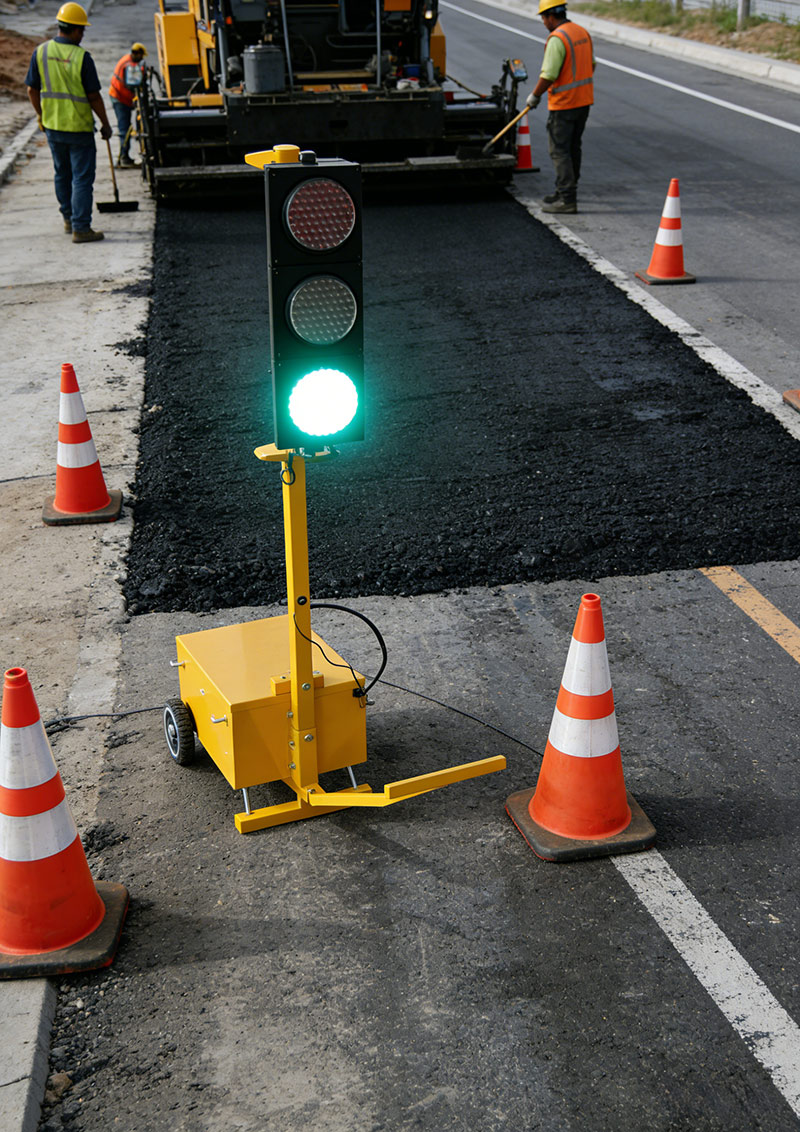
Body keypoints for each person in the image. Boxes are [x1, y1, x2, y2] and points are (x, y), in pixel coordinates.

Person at [25, 2, 113, 243]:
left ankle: (68, 218)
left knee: (62, 174)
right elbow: (94, 96)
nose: (82, 34)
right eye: (81, 30)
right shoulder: (82, 57)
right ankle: (81, 227)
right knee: (82, 179)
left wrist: (41, 115)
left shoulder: (40, 52)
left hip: (53, 127)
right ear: (74, 30)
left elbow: (32, 89)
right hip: (79, 129)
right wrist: (105, 124)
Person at [526, 0, 595, 214]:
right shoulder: (581, 32)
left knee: (559, 151)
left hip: (564, 104)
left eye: (543, 18)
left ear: (550, 16)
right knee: (574, 148)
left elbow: (549, 74)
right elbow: (592, 65)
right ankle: (563, 190)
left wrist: (535, 96)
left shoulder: (558, 38)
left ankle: (567, 199)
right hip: (583, 102)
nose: (544, 23)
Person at [109, 42, 147, 168]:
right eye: (141, 56)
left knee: (127, 127)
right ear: (137, 54)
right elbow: (131, 85)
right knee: (125, 128)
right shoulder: (129, 65)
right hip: (119, 99)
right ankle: (124, 158)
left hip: (122, 98)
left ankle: (124, 156)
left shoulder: (130, 62)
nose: (142, 59)